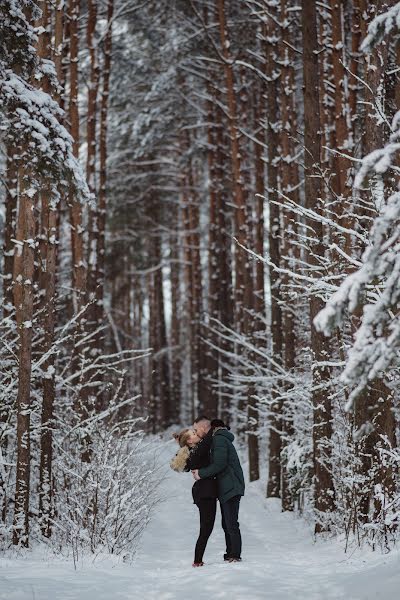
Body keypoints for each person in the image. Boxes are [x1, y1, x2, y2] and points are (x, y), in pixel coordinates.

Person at [192, 418, 245, 563]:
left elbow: (220, 464)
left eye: (196, 430)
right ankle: (230, 554)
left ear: (204, 428)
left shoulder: (219, 440)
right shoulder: (217, 439)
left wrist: (200, 474)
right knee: (226, 523)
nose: (195, 432)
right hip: (226, 486)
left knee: (231, 522)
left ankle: (235, 555)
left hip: (231, 485)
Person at [170, 427, 218, 567]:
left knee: (207, 527)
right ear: (190, 441)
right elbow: (208, 440)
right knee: (206, 527)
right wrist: (214, 426)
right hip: (204, 493)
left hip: (204, 491)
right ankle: (197, 561)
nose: (197, 434)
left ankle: (198, 560)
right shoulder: (196, 451)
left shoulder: (194, 450)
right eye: (193, 433)